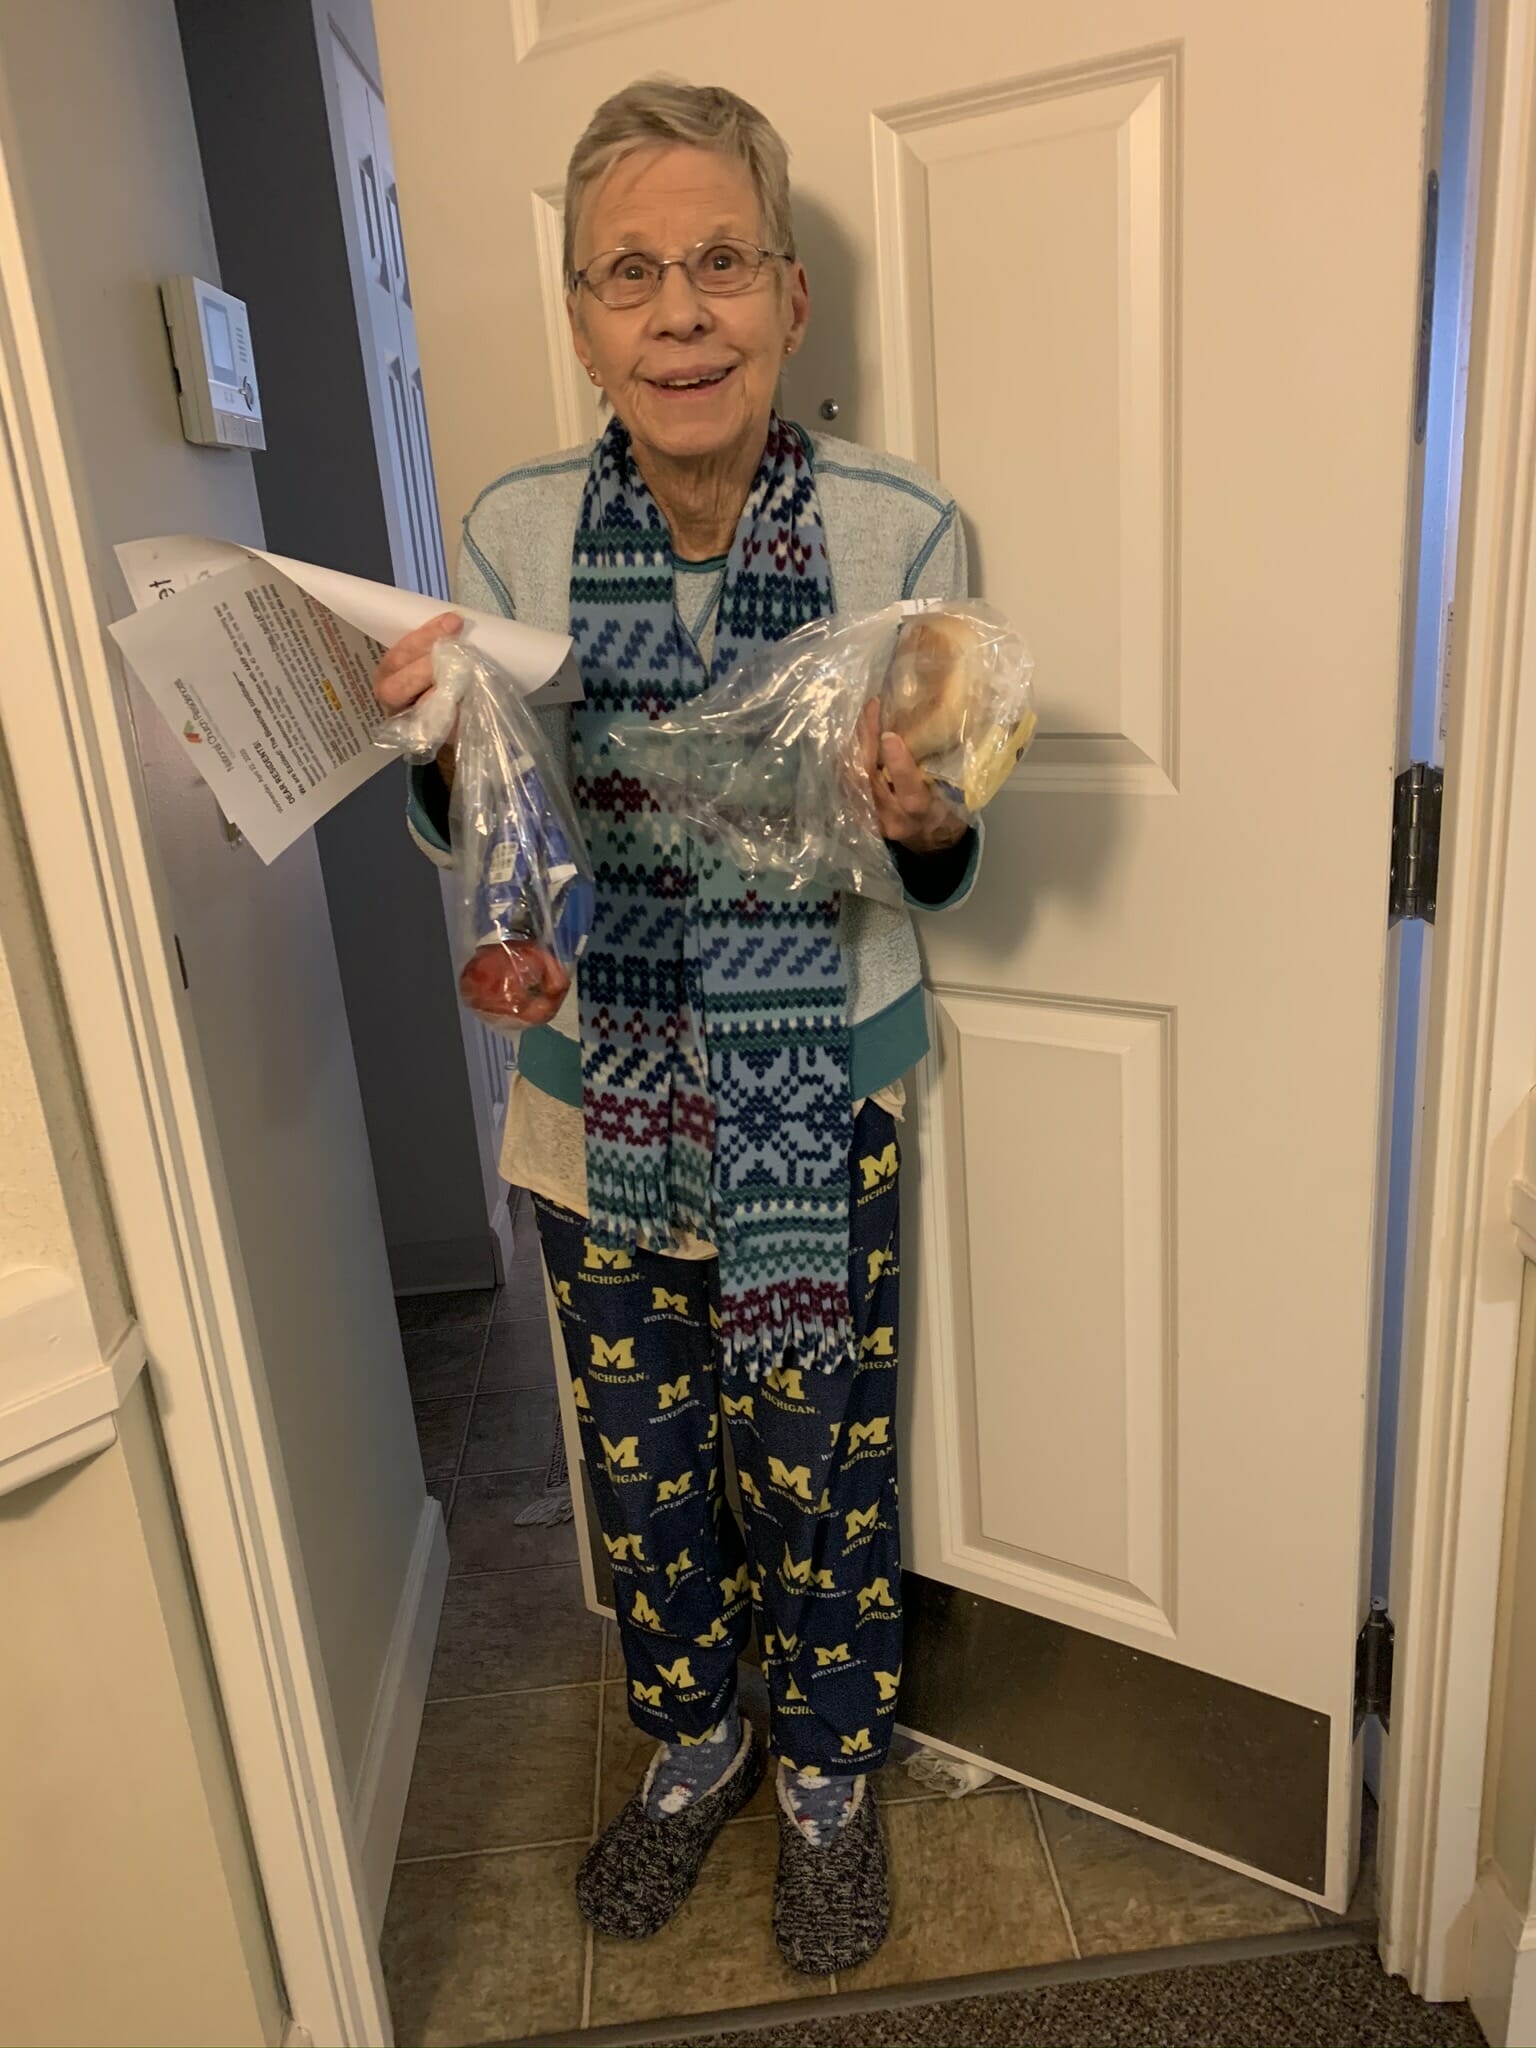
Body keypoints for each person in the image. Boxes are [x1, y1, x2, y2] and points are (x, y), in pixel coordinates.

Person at [373, 78, 983, 1974]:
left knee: (821, 1444)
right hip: (596, 1097)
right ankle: (695, 1742)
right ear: (578, 320)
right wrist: (428, 748)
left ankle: (820, 1780)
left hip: (822, 1081)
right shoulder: (509, 533)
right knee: (637, 1458)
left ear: (791, 297)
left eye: (720, 260)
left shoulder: (904, 533)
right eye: (630, 273)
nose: (680, 311)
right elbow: (484, 826)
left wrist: (929, 817)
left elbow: (950, 829)